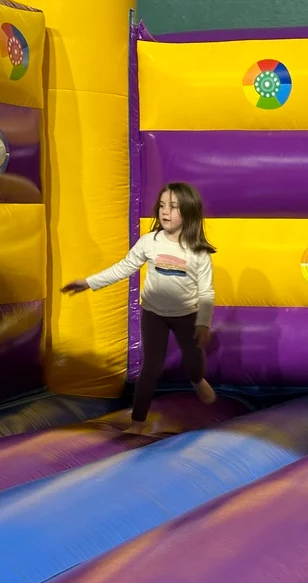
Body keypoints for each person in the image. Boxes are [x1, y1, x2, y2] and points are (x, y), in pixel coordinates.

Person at [62, 182, 217, 429]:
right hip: (154, 313)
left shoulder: (198, 252)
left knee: (194, 361)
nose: (165, 211)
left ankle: (197, 380)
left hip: (187, 315)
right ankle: (138, 420)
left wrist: (203, 323)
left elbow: (206, 292)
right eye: (162, 205)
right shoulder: (150, 242)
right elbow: (124, 268)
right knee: (151, 367)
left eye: (173, 207)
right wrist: (89, 282)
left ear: (188, 212)